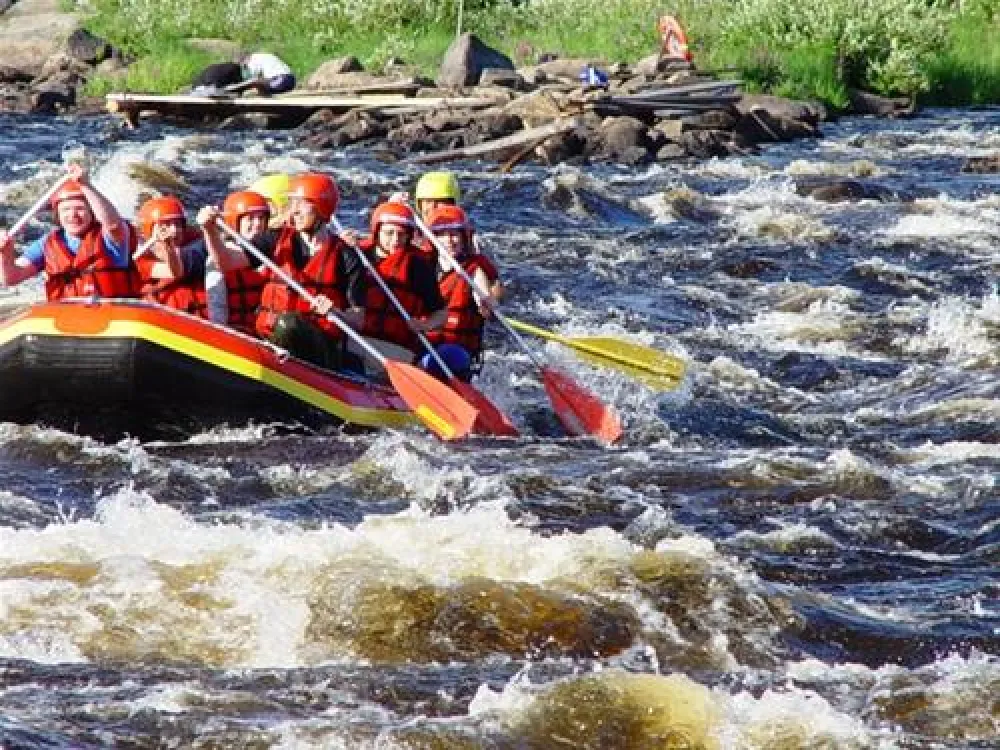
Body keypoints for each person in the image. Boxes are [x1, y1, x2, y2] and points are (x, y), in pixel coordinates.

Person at [202, 173, 351, 370]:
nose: (293, 211)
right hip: (272, 340)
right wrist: (209, 230)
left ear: (321, 208)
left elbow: (358, 317)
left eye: (301, 204)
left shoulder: (345, 255)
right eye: (291, 203)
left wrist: (336, 312)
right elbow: (226, 262)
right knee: (284, 325)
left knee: (288, 324)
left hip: (319, 348)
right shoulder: (274, 239)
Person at [0, 164, 136, 300]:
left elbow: (113, 224)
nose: (73, 215)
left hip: (111, 313)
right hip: (65, 315)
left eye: (80, 208)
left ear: (92, 212)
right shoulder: (46, 244)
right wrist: (6, 254)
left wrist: (86, 185)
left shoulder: (111, 237)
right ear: (57, 215)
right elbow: (11, 278)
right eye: (66, 209)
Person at [343, 201, 447, 364]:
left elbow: (441, 313)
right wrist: (340, 246)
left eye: (401, 234)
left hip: (396, 350)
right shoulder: (356, 256)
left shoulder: (418, 267)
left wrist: (425, 325)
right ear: (377, 232)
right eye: (389, 233)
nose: (395, 240)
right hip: (355, 339)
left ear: (409, 236)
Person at [422, 205, 500, 380]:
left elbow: (483, 293)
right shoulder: (422, 265)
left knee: (438, 358)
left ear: (464, 238)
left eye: (454, 234)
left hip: (458, 352)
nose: (449, 240)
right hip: (425, 344)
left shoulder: (473, 270)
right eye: (442, 235)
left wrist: (487, 303)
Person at [197, 190, 274, 334]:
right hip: (237, 334)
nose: (257, 224)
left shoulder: (273, 249)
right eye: (250, 219)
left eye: (261, 218)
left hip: (269, 335)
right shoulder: (218, 257)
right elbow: (217, 310)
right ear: (234, 222)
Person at [134, 195, 209, 316]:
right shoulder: (141, 259)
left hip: (207, 322)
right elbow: (174, 272)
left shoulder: (195, 241)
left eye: (178, 224)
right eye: (166, 225)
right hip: (167, 323)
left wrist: (210, 228)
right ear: (150, 230)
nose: (174, 230)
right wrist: (169, 247)